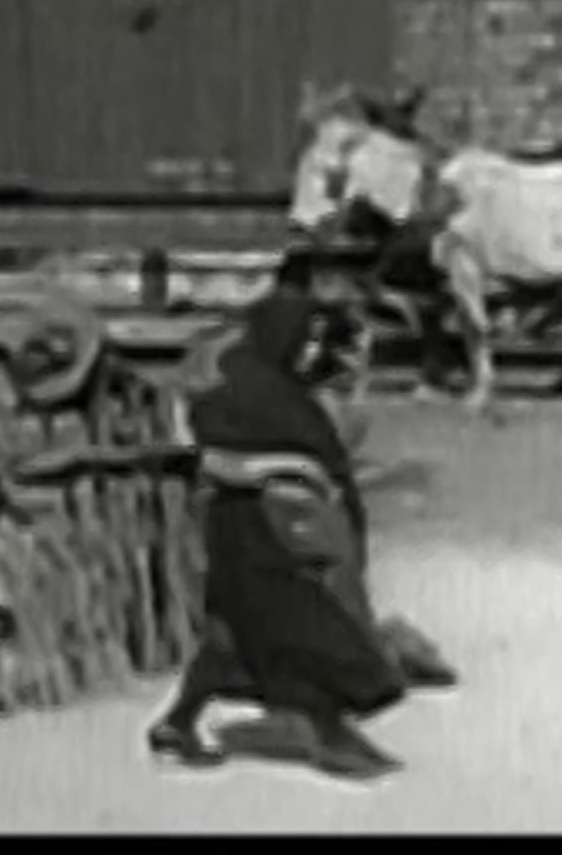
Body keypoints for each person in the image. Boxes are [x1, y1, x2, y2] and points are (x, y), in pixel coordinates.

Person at [145, 264, 409, 782]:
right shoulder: (253, 392)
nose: (308, 350)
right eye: (303, 338)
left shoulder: (264, 385)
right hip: (262, 531)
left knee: (234, 636)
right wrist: (282, 475)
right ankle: (332, 733)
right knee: (306, 630)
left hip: (250, 526)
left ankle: (176, 724)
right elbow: (214, 456)